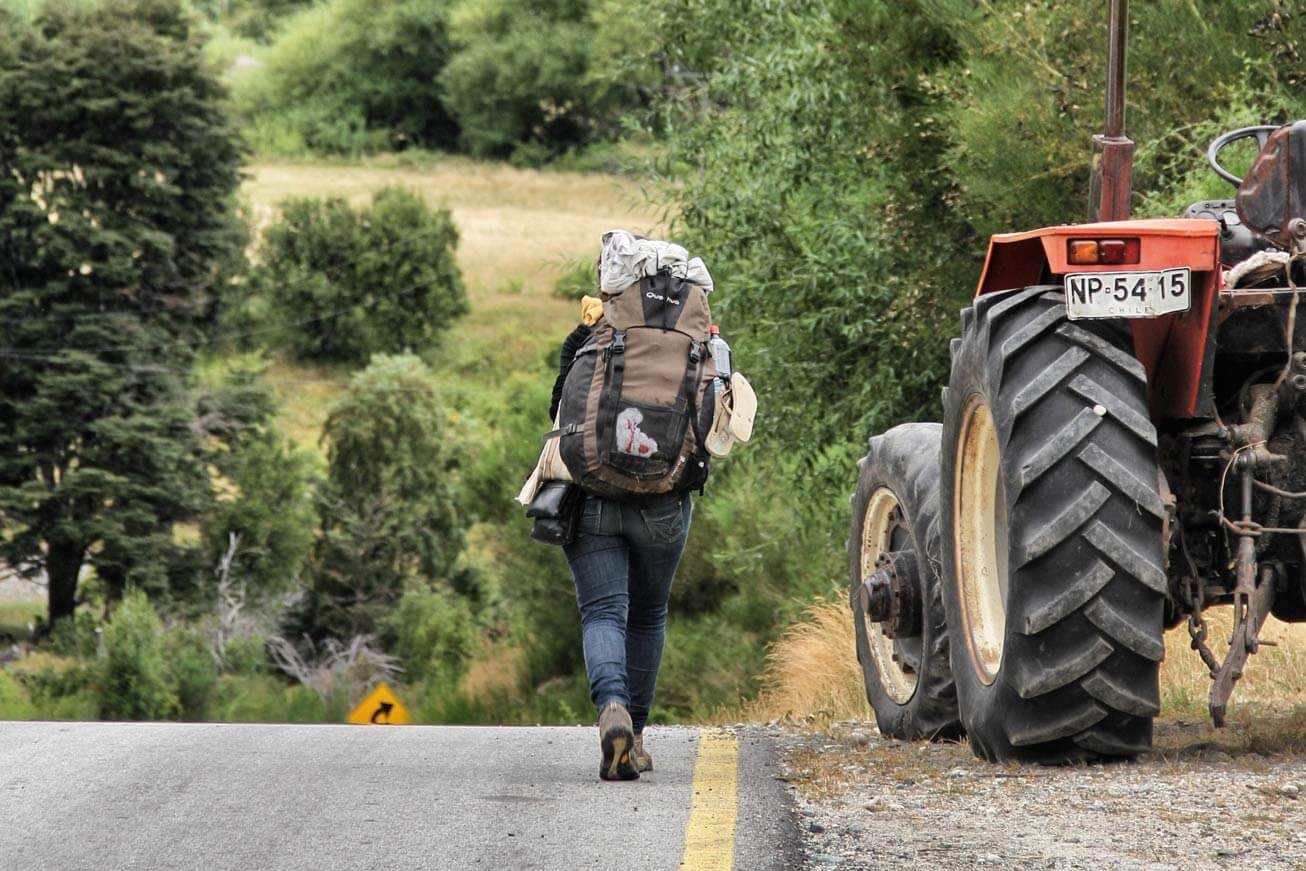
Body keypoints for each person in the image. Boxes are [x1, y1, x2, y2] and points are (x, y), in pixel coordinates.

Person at [550, 294, 694, 781]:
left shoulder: (587, 337)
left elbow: (559, 415)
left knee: (603, 612)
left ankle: (613, 708)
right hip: (663, 507)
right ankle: (638, 739)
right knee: (649, 613)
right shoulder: (692, 342)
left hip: (592, 498)